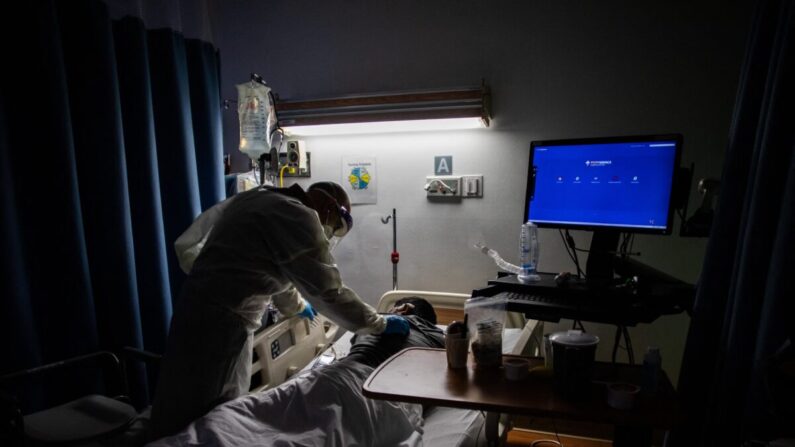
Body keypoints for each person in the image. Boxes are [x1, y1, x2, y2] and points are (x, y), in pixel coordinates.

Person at [150, 182, 410, 438]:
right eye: (334, 227)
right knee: (208, 415)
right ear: (330, 207)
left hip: (194, 310)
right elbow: (330, 292)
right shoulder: (298, 217)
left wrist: (297, 307)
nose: (329, 233)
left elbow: (277, 272)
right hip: (221, 327)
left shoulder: (262, 199)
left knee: (177, 402)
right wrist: (380, 324)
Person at [147, 297, 449, 447]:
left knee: (309, 427)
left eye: (399, 307)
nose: (393, 311)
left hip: (375, 392)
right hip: (342, 379)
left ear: (407, 308)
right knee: (257, 412)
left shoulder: (437, 339)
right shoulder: (379, 323)